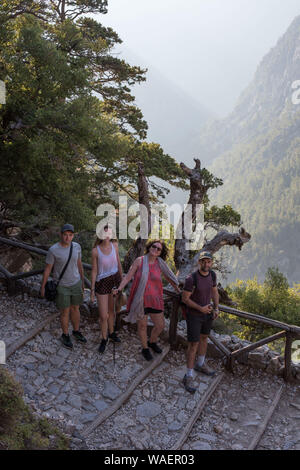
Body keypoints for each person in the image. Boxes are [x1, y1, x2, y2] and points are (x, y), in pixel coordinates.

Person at [113, 240, 180, 361]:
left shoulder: (160, 263)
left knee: (160, 325)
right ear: (149, 247)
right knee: (142, 326)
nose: (155, 249)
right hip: (140, 299)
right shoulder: (140, 261)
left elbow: (169, 277)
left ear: (160, 252)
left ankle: (152, 341)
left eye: (159, 249)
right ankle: (145, 348)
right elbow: (128, 276)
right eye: (154, 246)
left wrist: (178, 290)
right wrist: (119, 288)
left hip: (155, 299)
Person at [41, 224, 87, 349]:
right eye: (65, 235)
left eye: (70, 235)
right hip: (61, 286)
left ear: (73, 236)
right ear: (61, 235)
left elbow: (79, 264)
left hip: (76, 283)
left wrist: (83, 282)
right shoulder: (53, 250)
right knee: (65, 311)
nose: (67, 237)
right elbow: (48, 269)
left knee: (76, 309)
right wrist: (43, 286)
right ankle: (65, 335)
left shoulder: (77, 247)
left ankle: (76, 331)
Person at [181, 251, 219, 393]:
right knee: (193, 344)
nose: (206, 264)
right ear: (199, 262)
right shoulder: (192, 279)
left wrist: (216, 308)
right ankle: (188, 375)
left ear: (211, 263)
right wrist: (200, 308)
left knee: (204, 339)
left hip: (207, 313)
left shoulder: (213, 275)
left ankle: (200, 364)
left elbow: (215, 292)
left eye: (208, 261)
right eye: (203, 261)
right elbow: (185, 299)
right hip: (194, 315)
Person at [90, 225, 123, 353]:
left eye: (109, 232)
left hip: (114, 280)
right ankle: (104, 338)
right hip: (102, 282)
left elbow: (119, 263)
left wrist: (121, 283)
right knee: (103, 315)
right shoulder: (95, 251)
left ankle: (112, 333)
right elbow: (94, 270)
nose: (107, 235)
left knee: (112, 311)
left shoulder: (115, 246)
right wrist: (92, 290)